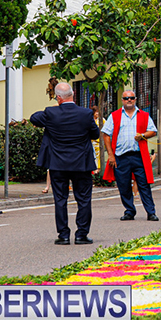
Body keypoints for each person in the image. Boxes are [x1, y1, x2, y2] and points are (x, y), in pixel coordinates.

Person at [30, 85, 99, 244]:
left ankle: (64, 235)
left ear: (58, 97)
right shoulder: (86, 113)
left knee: (60, 200)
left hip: (58, 163)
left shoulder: (51, 113)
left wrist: (56, 107)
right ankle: (81, 235)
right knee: (84, 199)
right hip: (81, 162)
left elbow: (34, 117)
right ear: (73, 94)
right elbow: (95, 134)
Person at [102, 90, 159, 222]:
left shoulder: (144, 115)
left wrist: (143, 135)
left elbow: (153, 131)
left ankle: (151, 212)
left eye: (132, 98)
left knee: (144, 185)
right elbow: (106, 134)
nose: (129, 100)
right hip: (121, 156)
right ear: (122, 100)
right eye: (126, 98)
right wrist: (110, 155)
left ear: (135, 99)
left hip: (138, 156)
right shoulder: (115, 115)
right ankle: (129, 211)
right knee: (123, 185)